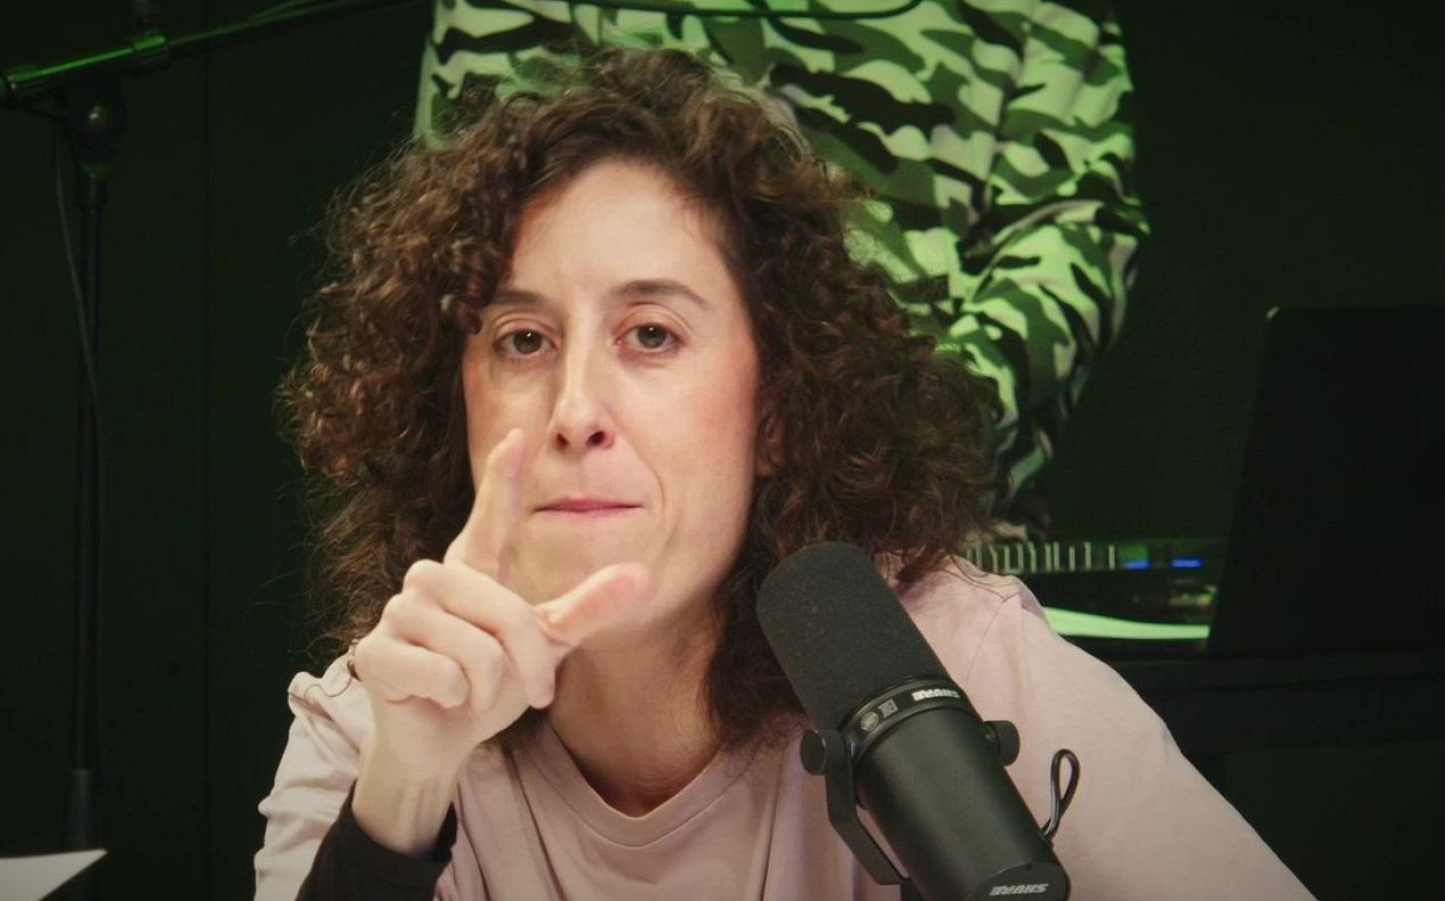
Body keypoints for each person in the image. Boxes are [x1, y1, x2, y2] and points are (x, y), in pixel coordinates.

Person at [255, 49, 1308, 900]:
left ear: (774, 411)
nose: (575, 410)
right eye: (522, 341)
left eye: (652, 333)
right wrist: (400, 799)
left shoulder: (956, 663)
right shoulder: (380, 718)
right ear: (455, 405)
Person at [413, 0, 1151, 536]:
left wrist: (874, 442)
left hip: (922, 545)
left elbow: (1070, 238)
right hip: (562, 550)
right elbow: (471, 225)